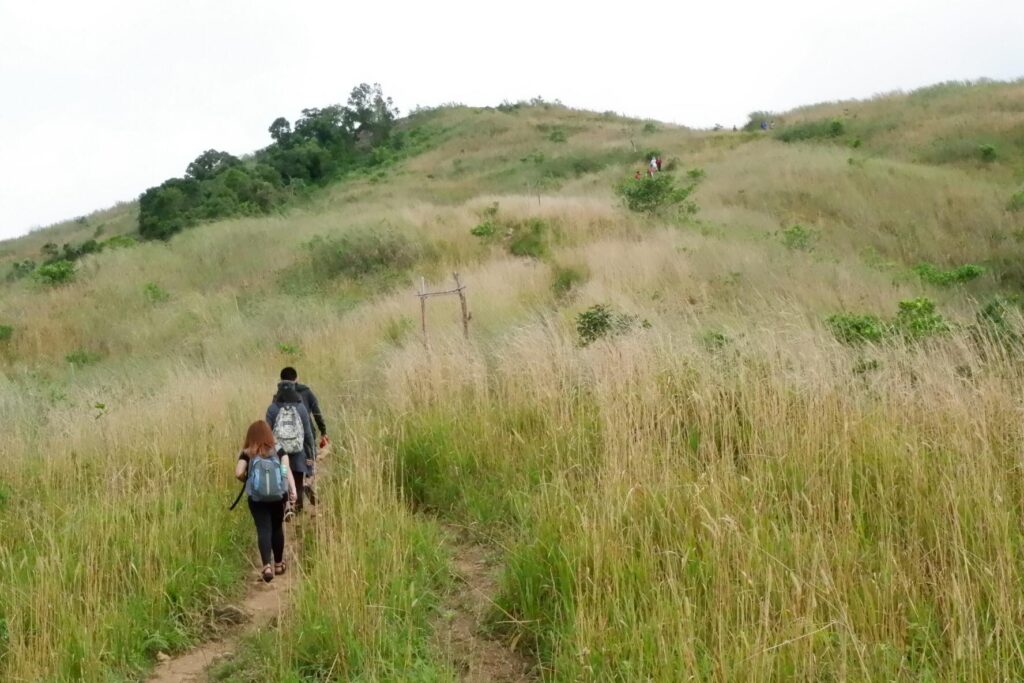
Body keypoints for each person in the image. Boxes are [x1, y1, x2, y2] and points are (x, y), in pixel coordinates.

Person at [235, 420, 297, 582]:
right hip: (278, 496)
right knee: (277, 528)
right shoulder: (278, 449)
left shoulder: (248, 452)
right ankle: (278, 564)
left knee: (263, 528)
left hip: (257, 498)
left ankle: (266, 566)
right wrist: (289, 488)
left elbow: (238, 472)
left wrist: (247, 479)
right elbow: (285, 467)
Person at [279, 367, 328, 505]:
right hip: (306, 437)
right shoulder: (307, 392)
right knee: (308, 466)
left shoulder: (278, 396)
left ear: (281, 380)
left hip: (285, 439)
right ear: (297, 378)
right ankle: (306, 484)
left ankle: (292, 497)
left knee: (288, 468)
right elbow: (317, 413)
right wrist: (323, 431)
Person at [267, 381, 315, 515]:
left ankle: (285, 506)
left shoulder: (272, 408)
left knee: (282, 476)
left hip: (280, 453)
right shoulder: (301, 408)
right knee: (298, 479)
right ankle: (298, 512)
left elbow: (267, 431)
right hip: (298, 451)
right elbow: (308, 434)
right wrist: (311, 455)